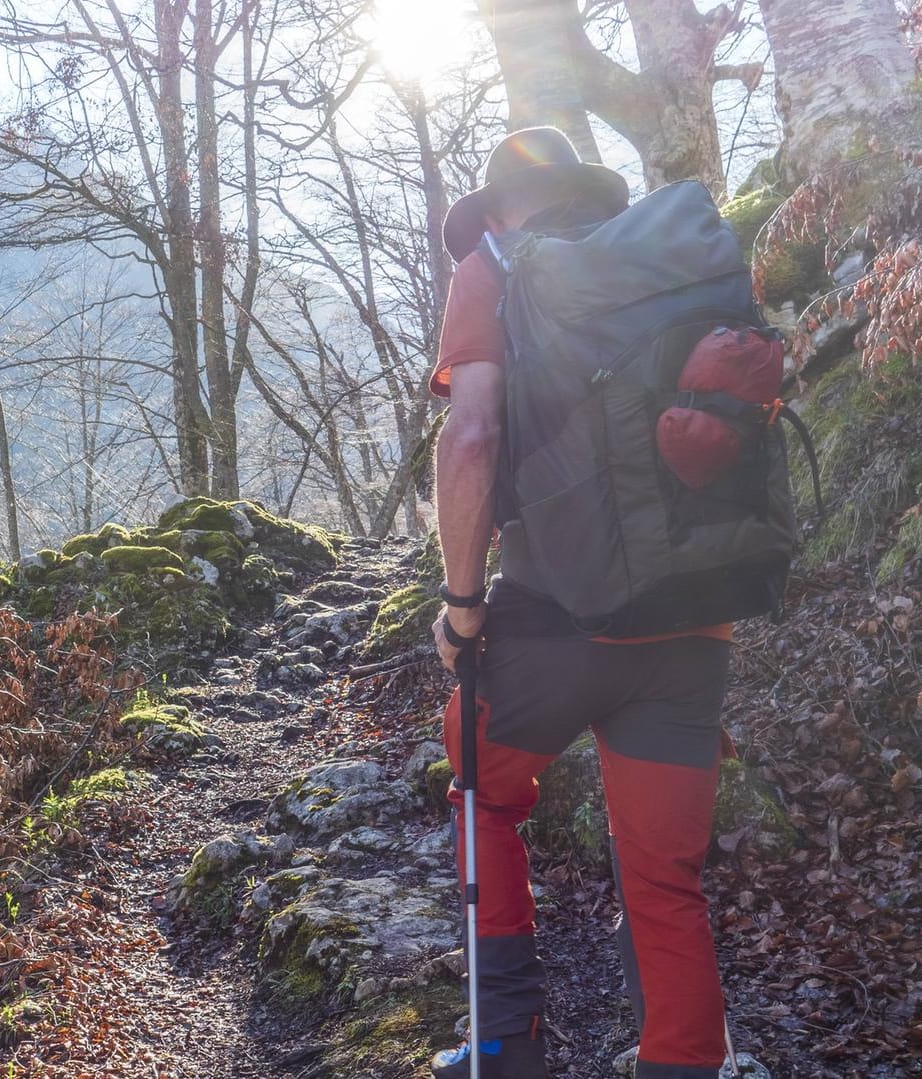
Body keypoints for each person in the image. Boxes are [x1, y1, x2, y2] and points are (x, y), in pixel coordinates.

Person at [426, 127, 736, 1079]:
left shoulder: (497, 272)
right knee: (663, 871)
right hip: (693, 620)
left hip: (555, 621)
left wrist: (463, 604)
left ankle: (506, 1049)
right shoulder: (677, 269)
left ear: (504, 210)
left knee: (481, 784)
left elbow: (472, 435)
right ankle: (683, 1064)